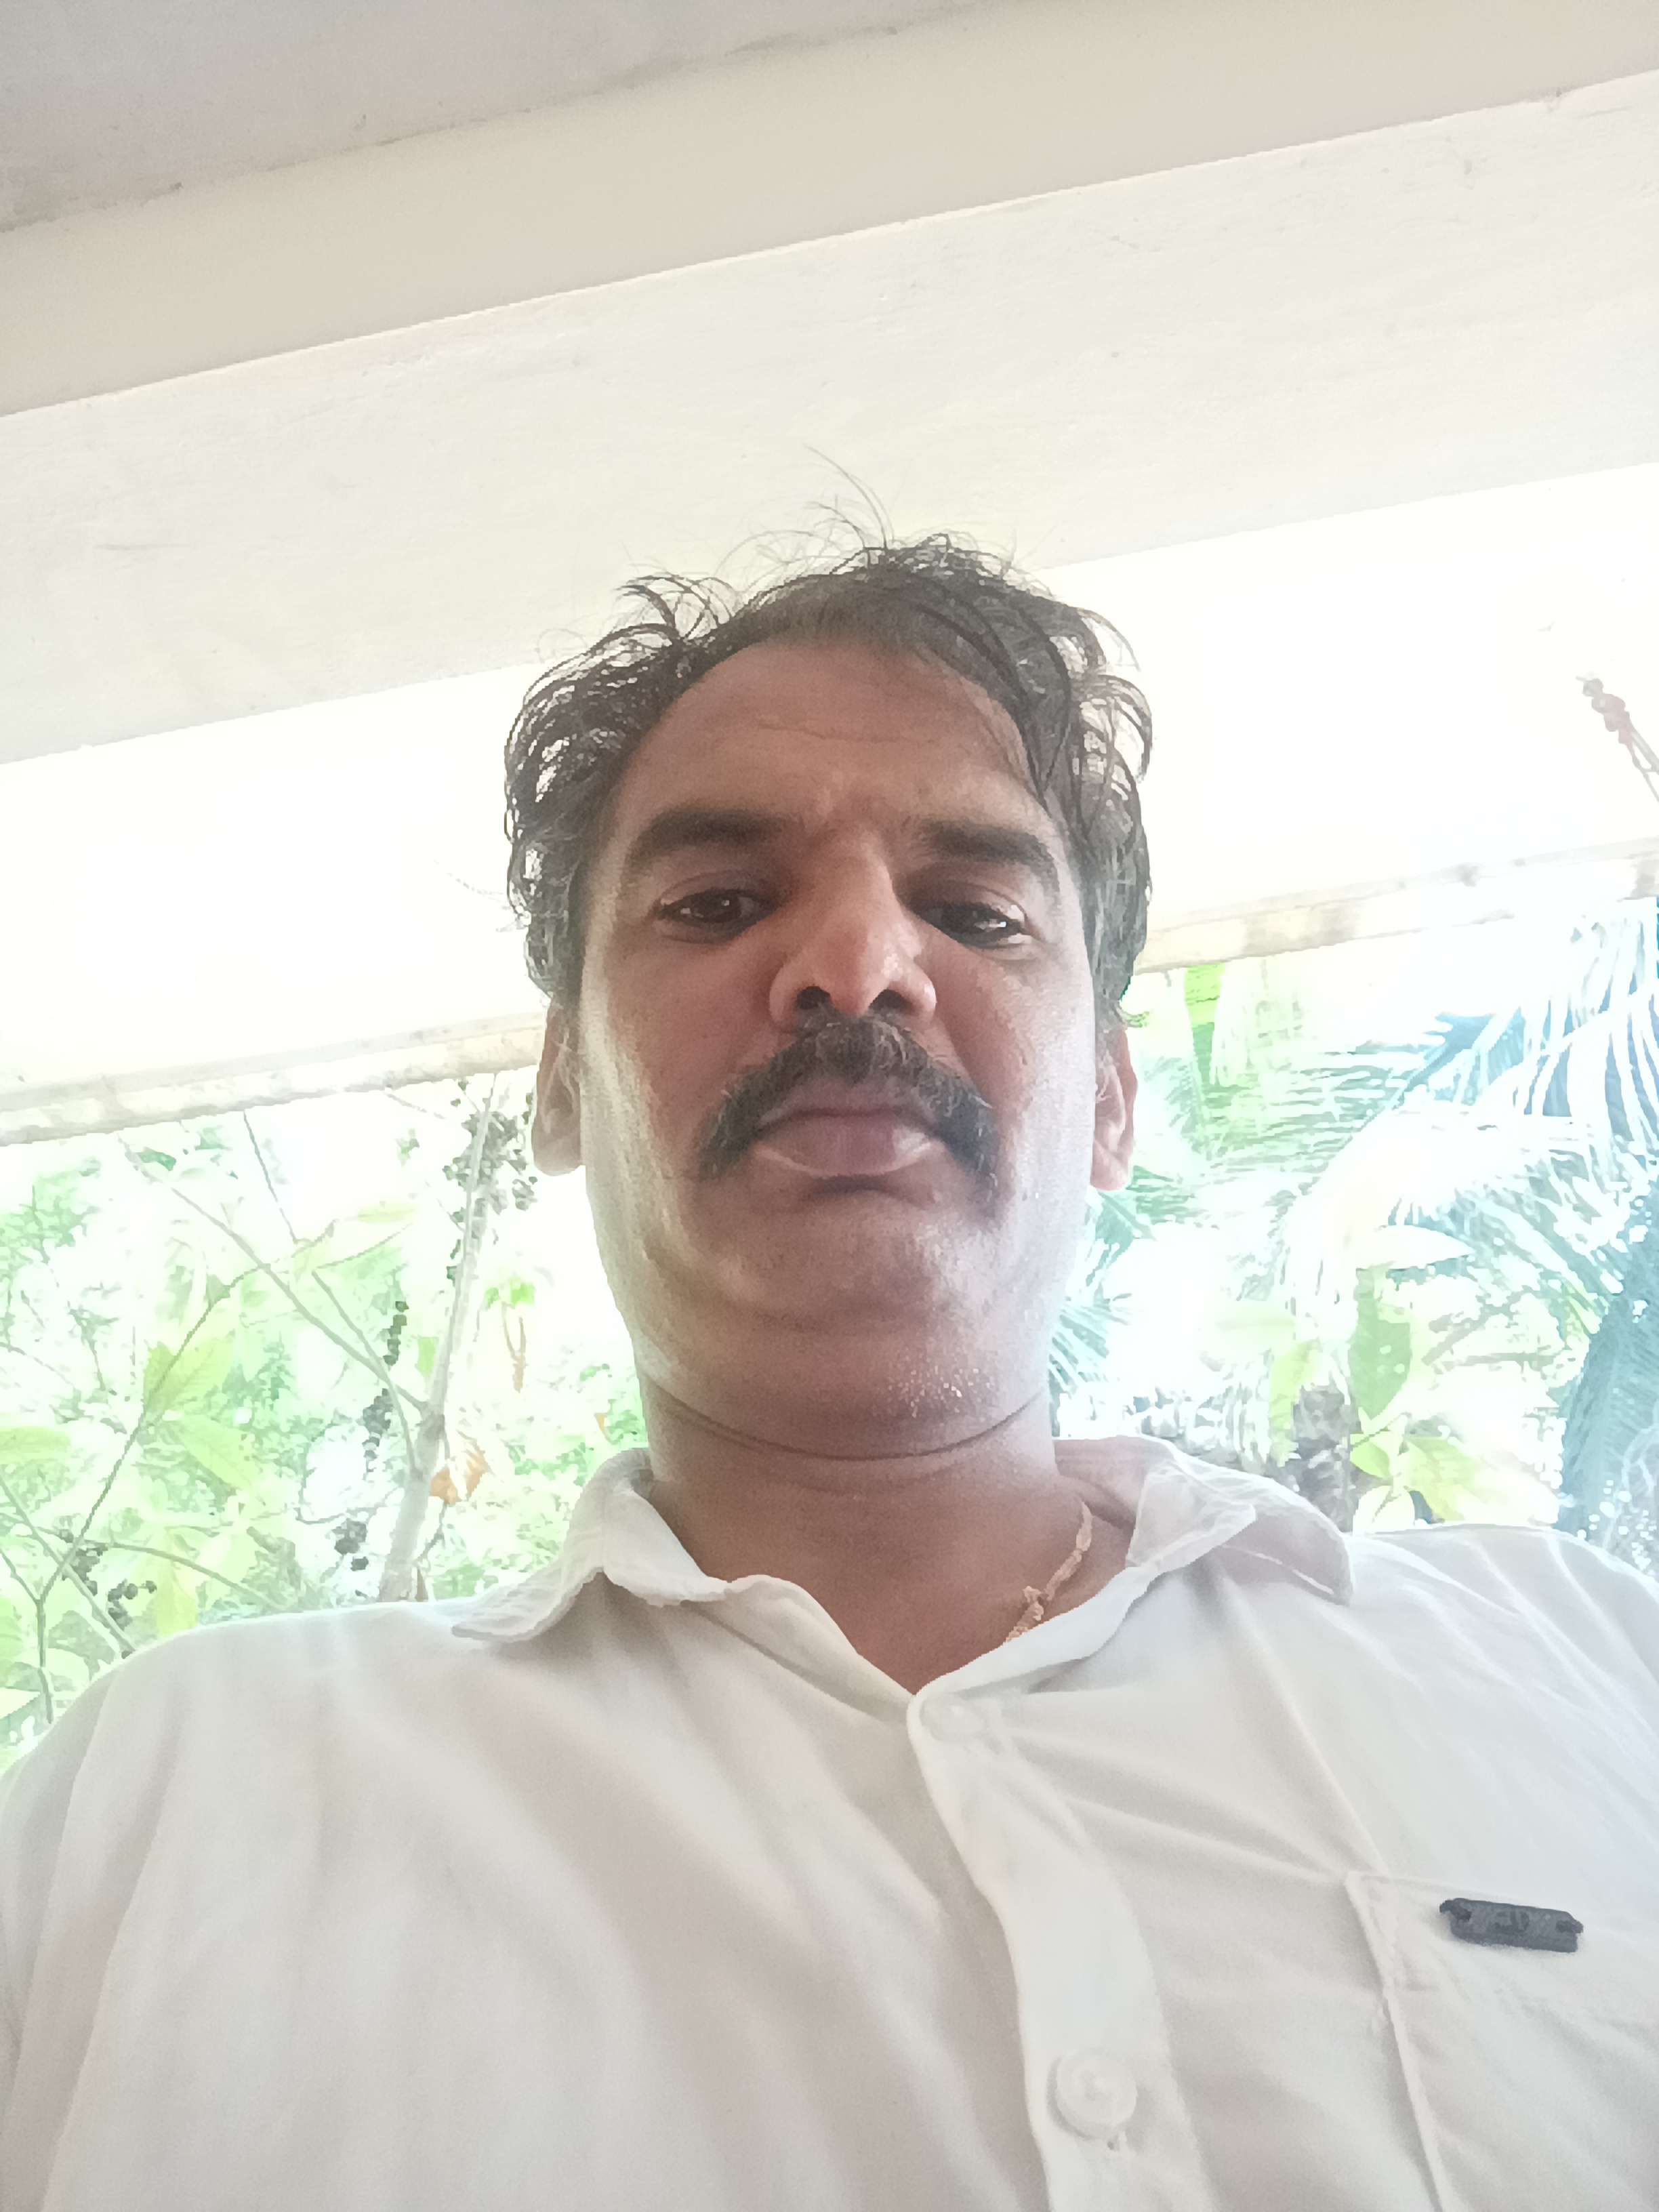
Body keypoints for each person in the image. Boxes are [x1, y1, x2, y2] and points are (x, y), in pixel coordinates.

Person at [1, 534, 1655, 2212]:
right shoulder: (170, 1804)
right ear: (563, 1082)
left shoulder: (1582, 1665)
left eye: (977, 912)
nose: (858, 965)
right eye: (718, 904)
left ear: (1109, 1100)